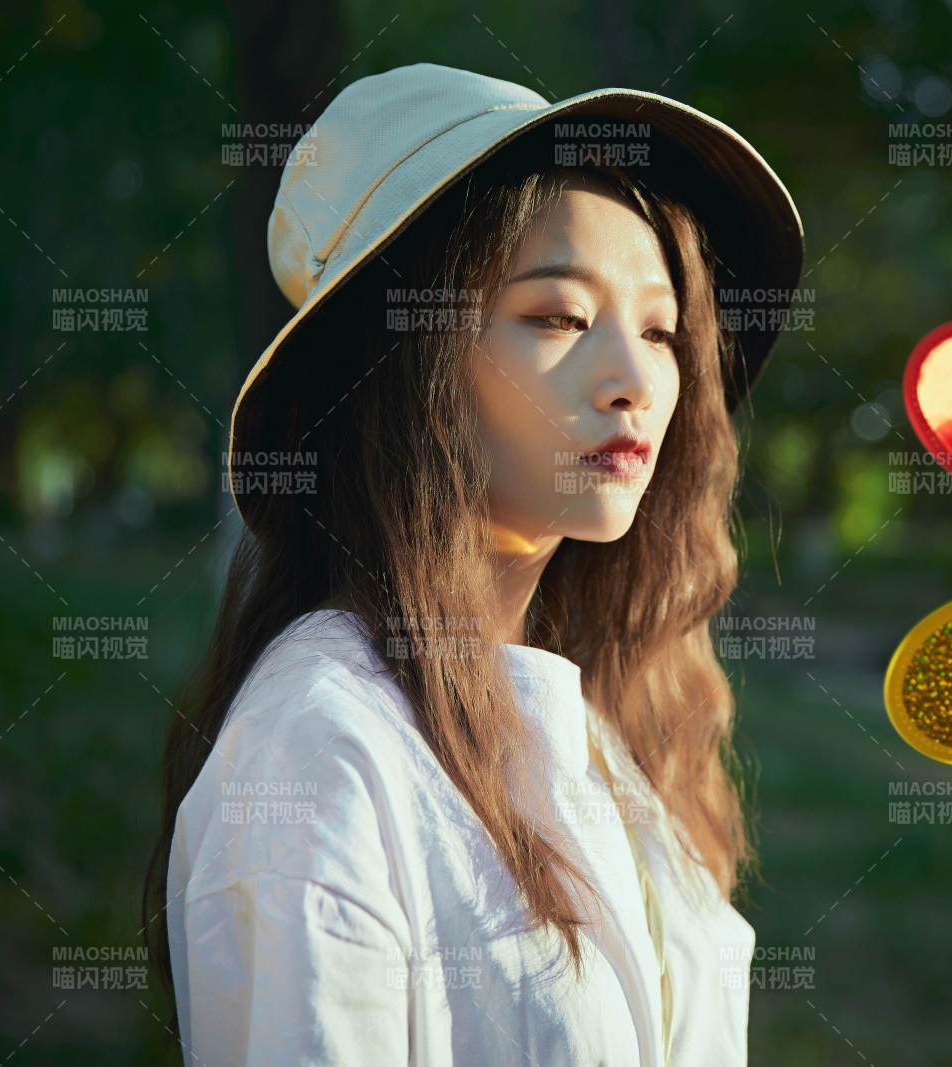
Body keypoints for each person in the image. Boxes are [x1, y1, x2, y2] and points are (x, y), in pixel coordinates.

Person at [140, 63, 804, 1065]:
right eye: (557, 318)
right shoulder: (320, 750)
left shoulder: (609, 729)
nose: (634, 381)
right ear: (403, 363)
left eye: (662, 330)